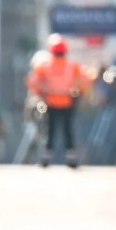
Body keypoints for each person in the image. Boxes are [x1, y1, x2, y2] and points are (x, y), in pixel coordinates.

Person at [26, 34, 89, 168]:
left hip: (51, 101)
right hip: (68, 101)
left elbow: (33, 81)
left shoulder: (45, 67)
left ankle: (47, 157)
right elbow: (85, 80)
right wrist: (79, 93)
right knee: (68, 130)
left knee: (51, 131)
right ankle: (71, 157)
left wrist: (42, 92)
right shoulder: (72, 66)